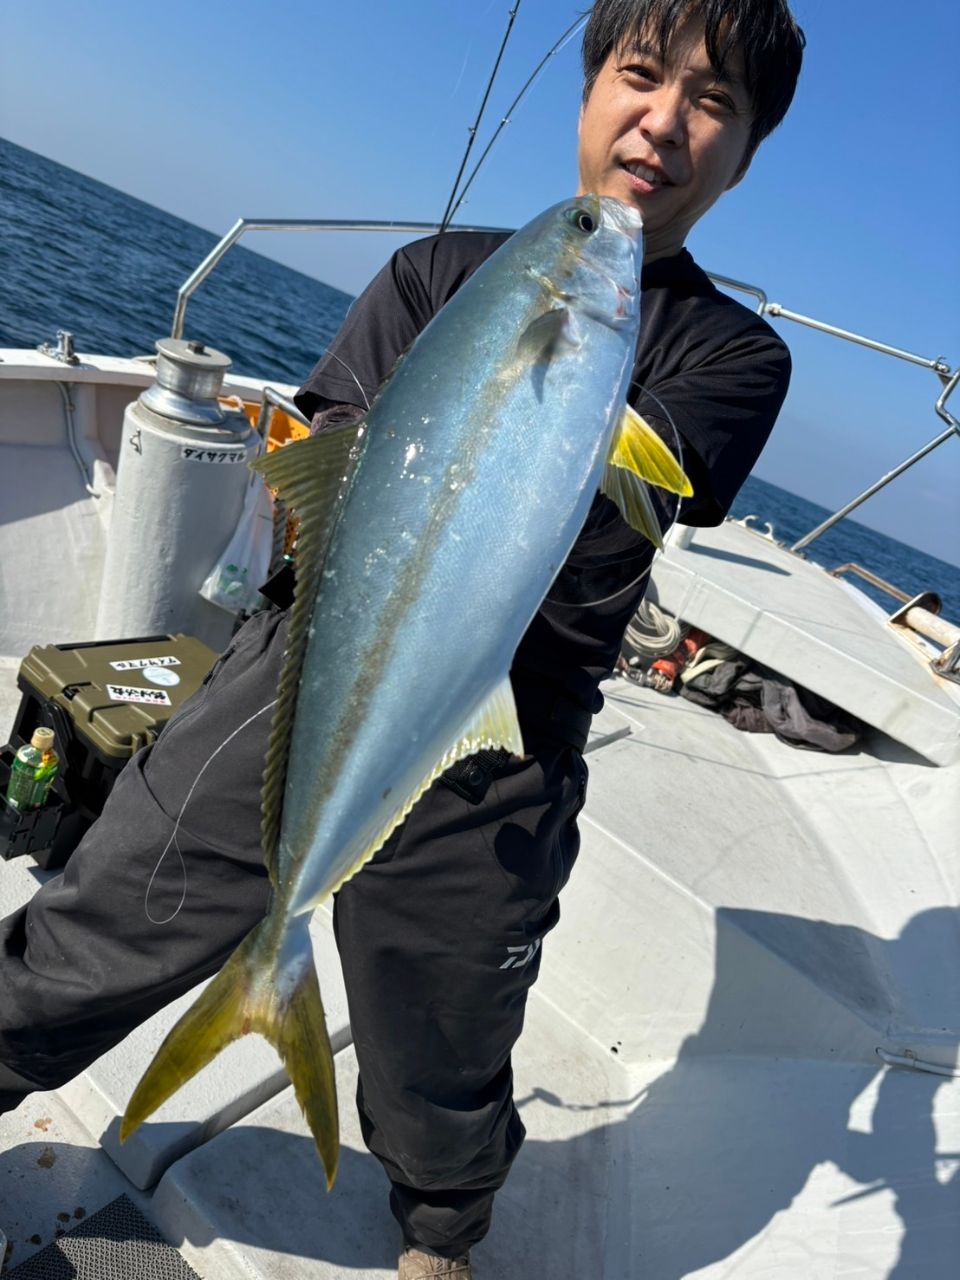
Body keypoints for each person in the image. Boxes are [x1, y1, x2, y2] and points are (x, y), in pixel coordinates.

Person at [0, 2, 804, 1276]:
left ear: (747, 151)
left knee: (443, 1038)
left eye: (713, 103)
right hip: (312, 661)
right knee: (111, 905)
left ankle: (439, 1236)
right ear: (592, 88)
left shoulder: (728, 353)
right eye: (641, 75)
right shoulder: (436, 275)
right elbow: (326, 478)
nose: (664, 121)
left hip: (512, 720)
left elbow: (626, 483)